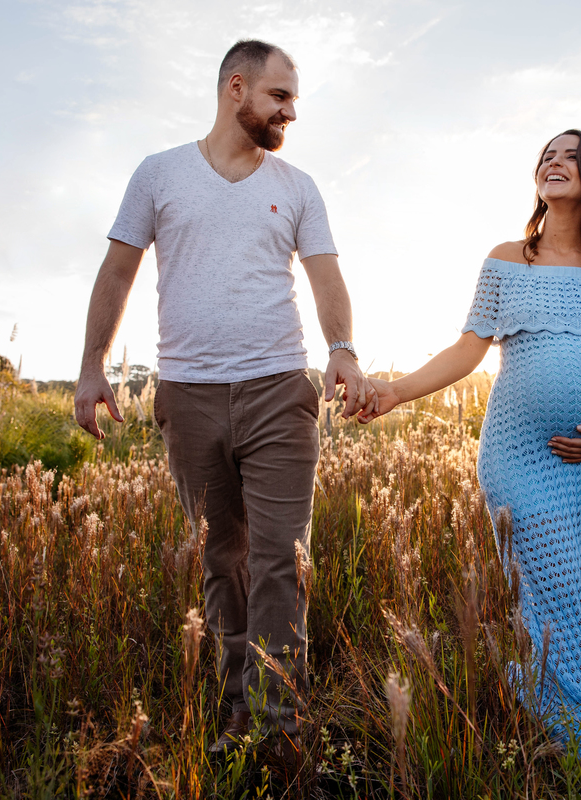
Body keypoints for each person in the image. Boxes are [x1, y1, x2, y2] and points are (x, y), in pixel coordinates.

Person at [74, 39, 372, 756]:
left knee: (279, 557)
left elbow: (326, 276)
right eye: (280, 97)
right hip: (189, 395)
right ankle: (235, 707)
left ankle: (278, 723)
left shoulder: (298, 185)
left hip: (278, 391)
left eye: (293, 99)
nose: (290, 112)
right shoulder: (159, 175)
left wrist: (341, 349)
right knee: (221, 557)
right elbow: (117, 271)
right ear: (236, 89)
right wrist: (92, 366)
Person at [361, 129, 581, 788]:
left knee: (579, 603)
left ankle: (526, 685)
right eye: (547, 153)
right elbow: (467, 352)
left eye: (571, 155)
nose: (554, 161)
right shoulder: (506, 260)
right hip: (521, 456)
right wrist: (396, 392)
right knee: (561, 608)